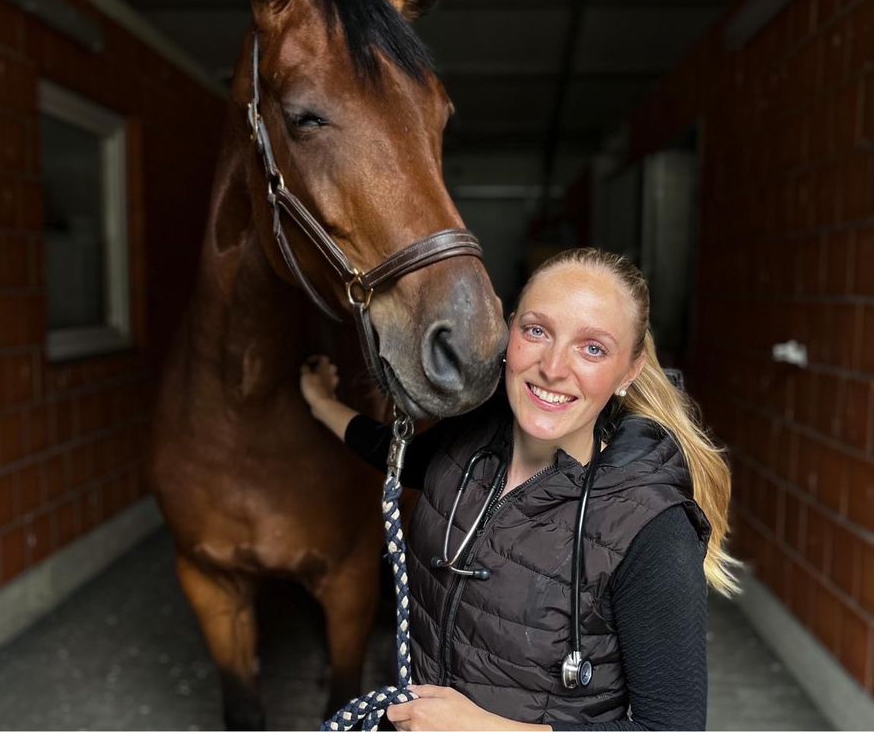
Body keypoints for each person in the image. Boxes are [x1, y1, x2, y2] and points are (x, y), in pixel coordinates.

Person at [300, 247, 738, 731]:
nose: (553, 367)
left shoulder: (650, 528)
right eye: (537, 331)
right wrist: (321, 404)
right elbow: (391, 451)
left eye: (592, 348)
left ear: (629, 371)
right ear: (508, 332)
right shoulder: (467, 440)